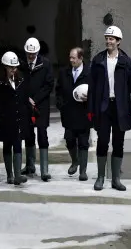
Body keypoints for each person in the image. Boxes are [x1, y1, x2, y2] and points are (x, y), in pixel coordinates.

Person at [86, 25, 131, 192]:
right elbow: (92, 86)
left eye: (111, 39)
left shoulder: (127, 62)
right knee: (102, 141)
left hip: (121, 108)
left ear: (118, 41)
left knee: (119, 143)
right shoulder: (97, 60)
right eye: (107, 38)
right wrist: (90, 108)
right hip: (103, 107)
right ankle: (101, 177)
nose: (108, 41)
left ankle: (116, 179)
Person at [0, 51, 33, 185]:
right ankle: (10, 175)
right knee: (7, 144)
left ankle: (17, 175)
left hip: (19, 117)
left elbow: (24, 97)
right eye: (11, 67)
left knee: (17, 144)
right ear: (5, 67)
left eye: (15, 67)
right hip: (5, 118)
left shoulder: (21, 79)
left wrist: (30, 113)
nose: (13, 70)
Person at [22, 37, 55, 180]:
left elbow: (49, 85)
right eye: (28, 53)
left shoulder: (45, 64)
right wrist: (25, 98)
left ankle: (44, 169)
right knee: (28, 135)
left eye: (33, 53)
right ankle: (30, 165)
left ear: (37, 52)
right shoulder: (22, 64)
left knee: (42, 134)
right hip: (25, 104)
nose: (30, 56)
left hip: (41, 105)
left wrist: (35, 99)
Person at [55, 46, 91, 179]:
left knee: (83, 142)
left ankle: (83, 170)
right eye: (70, 57)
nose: (71, 60)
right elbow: (58, 90)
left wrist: (89, 100)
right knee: (69, 139)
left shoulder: (89, 72)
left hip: (83, 113)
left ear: (81, 58)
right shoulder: (64, 72)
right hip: (68, 112)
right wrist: (61, 105)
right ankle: (75, 161)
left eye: (74, 58)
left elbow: (95, 90)